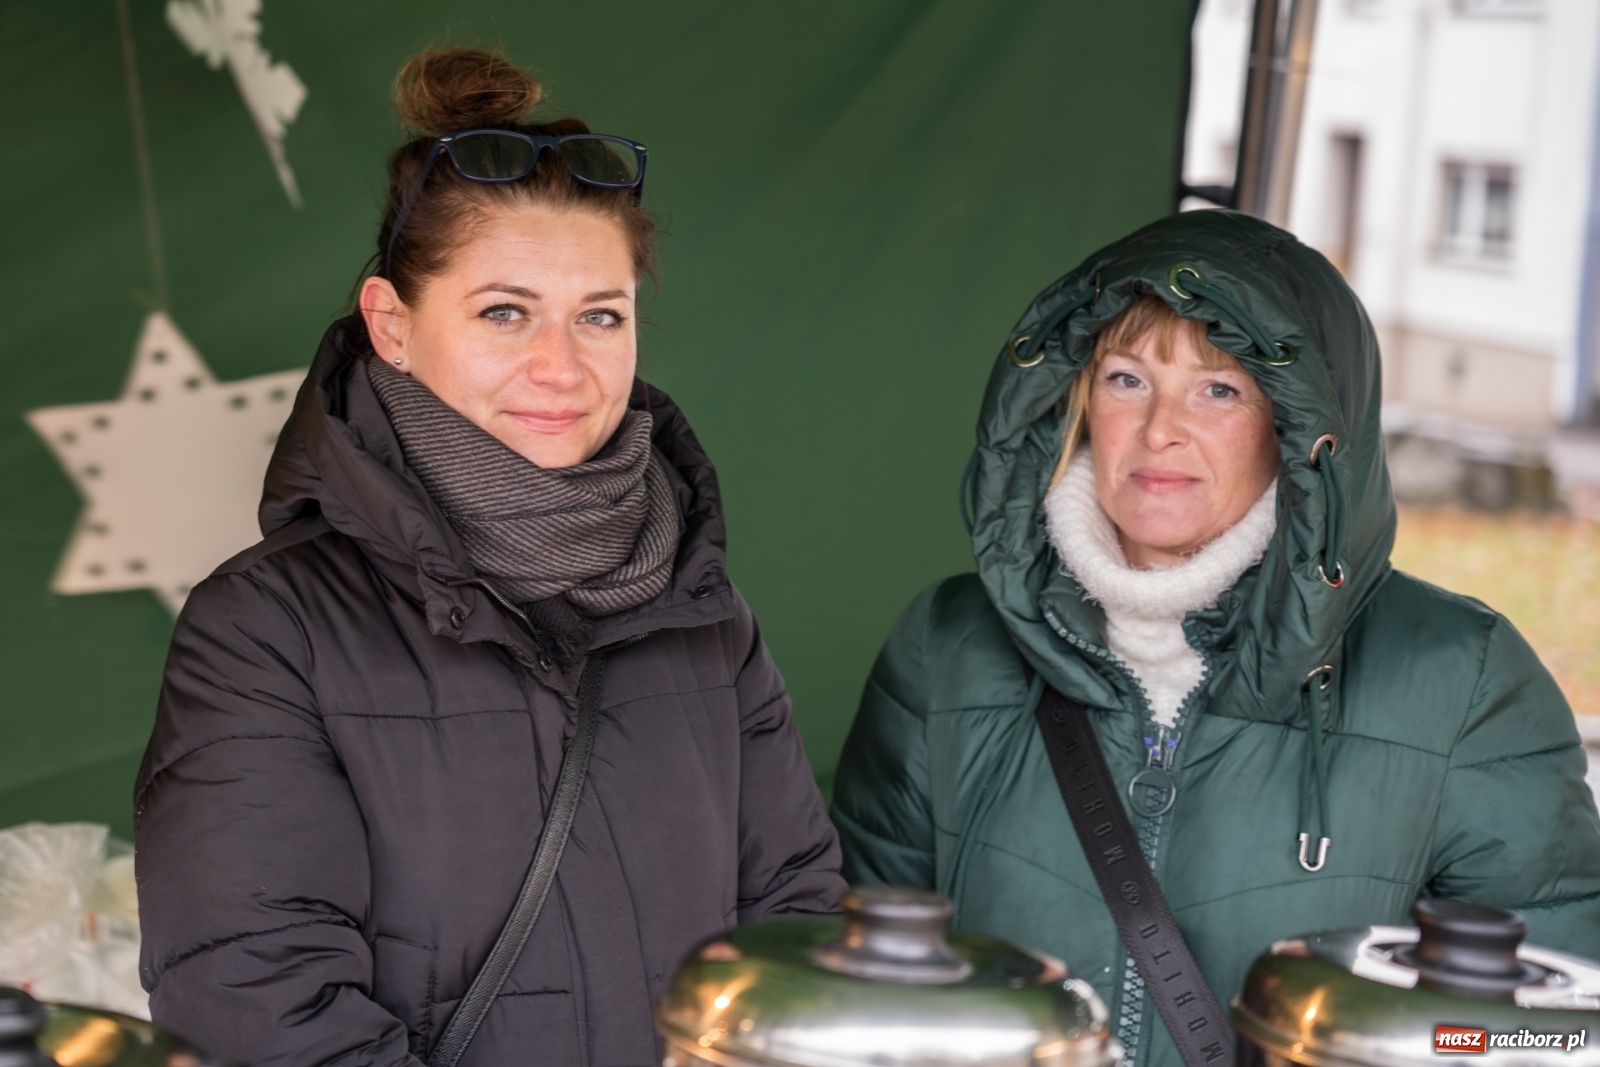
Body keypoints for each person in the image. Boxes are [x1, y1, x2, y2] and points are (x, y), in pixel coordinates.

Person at [135, 48, 844, 1067]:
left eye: (600, 315)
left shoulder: (702, 609)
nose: (561, 367)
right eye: (504, 312)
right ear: (391, 324)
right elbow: (259, 1000)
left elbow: (796, 926)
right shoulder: (266, 629)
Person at [831, 210, 1600, 1067]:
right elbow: (860, 990)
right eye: (1126, 379)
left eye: (1219, 390)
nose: (1160, 428)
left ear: (1305, 432)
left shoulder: (1462, 680)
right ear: (1075, 399)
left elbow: (1550, 1031)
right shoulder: (946, 647)